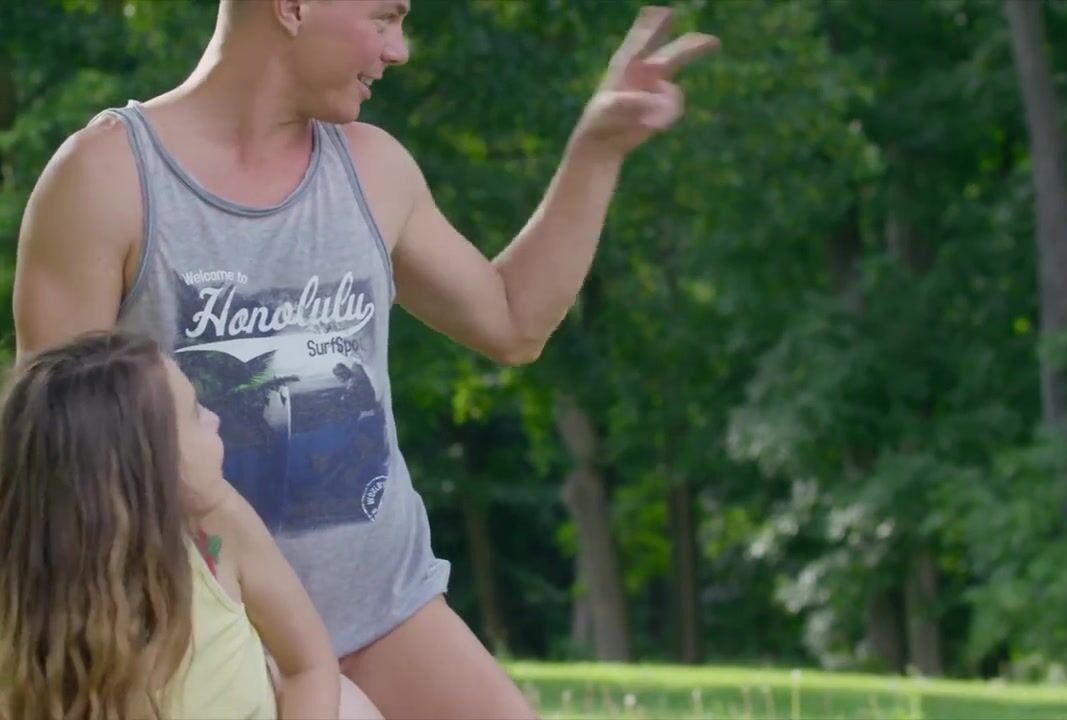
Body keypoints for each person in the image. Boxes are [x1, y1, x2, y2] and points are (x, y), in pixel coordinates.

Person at [11, 0, 718, 717]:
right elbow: (50, 473)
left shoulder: (373, 167)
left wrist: (597, 148)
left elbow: (513, 322)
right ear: (293, 8)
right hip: (204, 635)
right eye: (384, 17)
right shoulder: (106, 178)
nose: (398, 49)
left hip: (384, 612)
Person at [0, 330, 383, 720]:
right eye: (196, 413)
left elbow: (309, 665)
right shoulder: (26, 614)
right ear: (147, 468)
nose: (215, 419)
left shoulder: (220, 524)